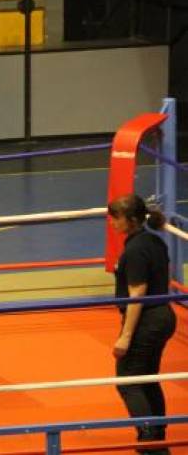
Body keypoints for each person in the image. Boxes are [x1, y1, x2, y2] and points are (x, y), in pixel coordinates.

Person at [108, 194, 176, 455]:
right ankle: (157, 438)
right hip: (162, 316)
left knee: (128, 381)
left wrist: (125, 336)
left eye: (117, 217)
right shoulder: (153, 241)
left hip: (148, 320)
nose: (112, 222)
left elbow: (137, 294)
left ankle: (150, 443)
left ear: (132, 220)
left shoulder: (135, 250)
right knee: (148, 379)